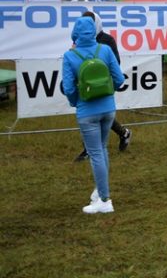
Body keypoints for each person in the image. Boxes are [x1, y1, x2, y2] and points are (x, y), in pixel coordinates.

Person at [62, 16, 125, 213]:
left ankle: (105, 200)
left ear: (75, 34)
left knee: (95, 153)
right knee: (102, 149)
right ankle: (100, 191)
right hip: (108, 109)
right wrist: (108, 93)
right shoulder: (105, 50)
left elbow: (68, 88)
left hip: (86, 111)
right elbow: (119, 79)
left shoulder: (70, 56)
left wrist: (76, 102)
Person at [73, 11, 132, 162]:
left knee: (99, 115)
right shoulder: (79, 41)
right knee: (94, 115)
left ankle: (91, 149)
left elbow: (116, 62)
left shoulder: (107, 40)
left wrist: (98, 69)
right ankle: (122, 133)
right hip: (86, 86)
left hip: (103, 84)